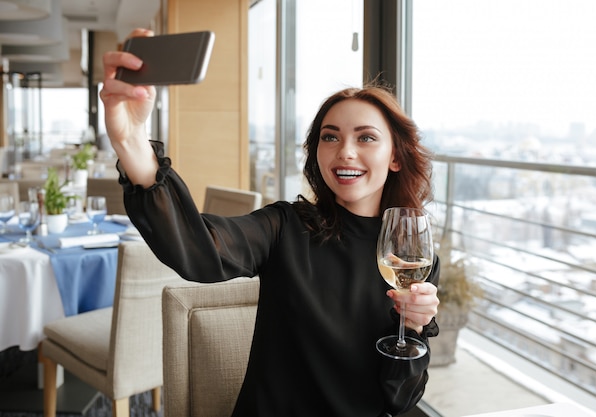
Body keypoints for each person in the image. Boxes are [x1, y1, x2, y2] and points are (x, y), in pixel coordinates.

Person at [100, 28, 440, 417]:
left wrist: (413, 330)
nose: (345, 152)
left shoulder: (412, 259)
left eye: (365, 138)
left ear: (395, 157)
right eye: (330, 137)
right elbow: (198, 251)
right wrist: (131, 141)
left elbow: (399, 400)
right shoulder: (286, 227)